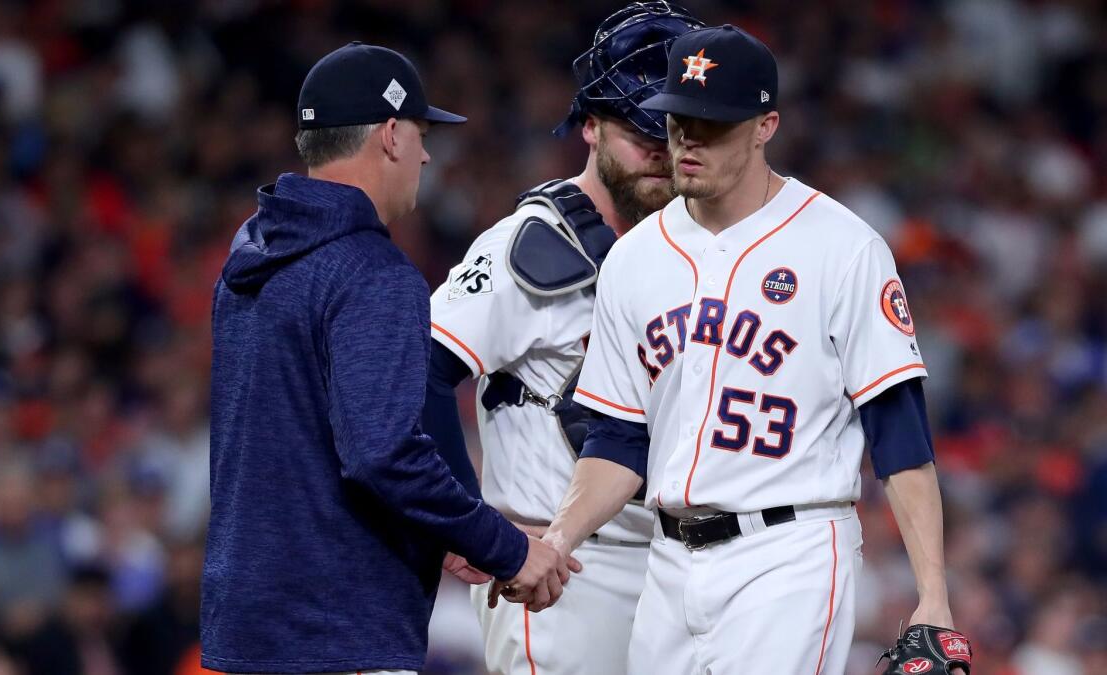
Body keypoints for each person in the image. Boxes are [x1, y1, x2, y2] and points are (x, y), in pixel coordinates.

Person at [518, 25, 971, 675]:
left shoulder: (843, 246)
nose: (688, 142)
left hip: (791, 552)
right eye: (679, 122)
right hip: (669, 559)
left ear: (766, 126)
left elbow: (898, 432)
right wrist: (559, 536)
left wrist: (934, 595)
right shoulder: (636, 258)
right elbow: (618, 438)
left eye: (713, 125)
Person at [201, 42, 573, 675]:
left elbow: (306, 448)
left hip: (248, 624)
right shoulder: (372, 272)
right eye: (423, 134)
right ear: (392, 135)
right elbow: (381, 453)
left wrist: (443, 531)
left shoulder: (250, 261)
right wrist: (505, 547)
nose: (428, 154)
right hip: (338, 632)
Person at [423, 3, 705, 673]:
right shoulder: (532, 244)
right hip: (566, 575)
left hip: (675, 569)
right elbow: (416, 370)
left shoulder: (692, 253)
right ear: (591, 125)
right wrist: (463, 522)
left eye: (678, 136)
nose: (661, 156)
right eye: (643, 134)